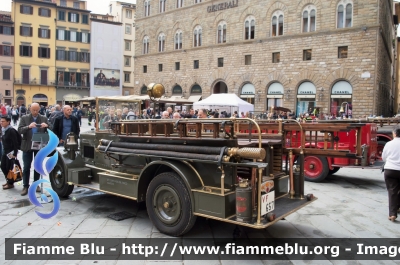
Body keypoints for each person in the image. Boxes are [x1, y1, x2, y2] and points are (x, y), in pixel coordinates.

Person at [18, 103, 49, 196]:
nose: (35, 112)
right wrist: (28, 127)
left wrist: (46, 126)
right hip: (27, 145)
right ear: (30, 109)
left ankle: (36, 185)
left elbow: (51, 129)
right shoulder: (24, 118)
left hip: (38, 144)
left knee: (37, 166)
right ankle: (25, 186)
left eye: (37, 110)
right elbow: (19, 130)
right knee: (27, 166)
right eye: (33, 110)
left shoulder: (44, 118)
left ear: (39, 109)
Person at [382, 124, 400, 222]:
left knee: (392, 192)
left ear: (394, 134)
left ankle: (392, 214)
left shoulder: (389, 144)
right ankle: (398, 207)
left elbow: (384, 157)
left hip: (390, 169)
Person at [1, 116, 20, 190]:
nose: (1, 123)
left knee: (9, 167)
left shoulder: (11, 130)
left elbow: (15, 143)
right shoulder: (3, 129)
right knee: (3, 166)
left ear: (8, 122)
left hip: (10, 152)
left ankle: (10, 183)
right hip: (4, 151)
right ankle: (8, 180)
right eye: (1, 121)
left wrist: (15, 154)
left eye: (3, 121)